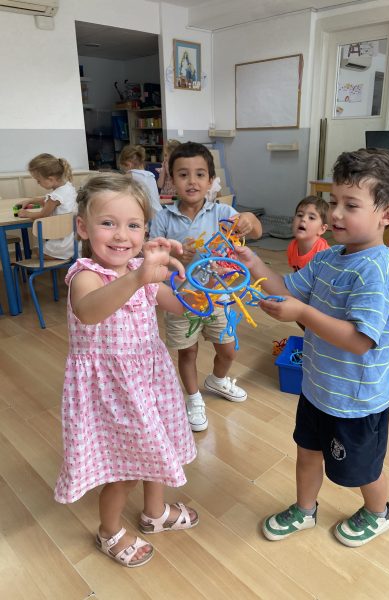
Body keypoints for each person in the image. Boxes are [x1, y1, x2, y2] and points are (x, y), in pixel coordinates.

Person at [235, 148, 389, 547]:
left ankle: (377, 513)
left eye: (351, 205)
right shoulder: (329, 256)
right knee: (307, 452)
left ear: (386, 215)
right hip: (317, 387)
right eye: (334, 201)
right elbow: (286, 289)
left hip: (356, 400)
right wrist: (253, 262)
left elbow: (359, 340)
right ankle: (305, 509)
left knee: (363, 469)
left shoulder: (376, 271)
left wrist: (302, 313)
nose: (336, 214)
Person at [54, 172, 197, 568]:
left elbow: (180, 304)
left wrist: (202, 283)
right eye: (108, 223)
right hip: (110, 392)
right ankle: (109, 531)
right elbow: (88, 311)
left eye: (133, 225)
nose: (121, 235)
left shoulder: (141, 270)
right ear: (84, 228)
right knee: (126, 470)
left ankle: (155, 512)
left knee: (157, 447)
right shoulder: (85, 275)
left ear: (146, 230)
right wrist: (137, 276)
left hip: (148, 379)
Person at [150, 141, 262, 432]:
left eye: (200, 174)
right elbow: (151, 261)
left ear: (211, 180)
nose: (192, 181)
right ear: (171, 180)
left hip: (219, 298)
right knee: (187, 352)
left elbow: (256, 230)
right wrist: (176, 256)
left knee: (228, 350)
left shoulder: (223, 212)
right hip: (180, 299)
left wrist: (249, 219)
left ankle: (217, 380)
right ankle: (193, 397)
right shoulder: (163, 217)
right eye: (183, 174)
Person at [16, 153, 77, 259]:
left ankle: (65, 257)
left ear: (51, 179)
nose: (38, 183)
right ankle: (69, 256)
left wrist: (26, 214)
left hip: (64, 241)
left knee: (37, 252)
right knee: (40, 249)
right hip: (75, 238)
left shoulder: (55, 197)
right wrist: (31, 200)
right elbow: (47, 201)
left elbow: (42, 215)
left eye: (38, 180)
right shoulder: (67, 187)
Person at [287, 195, 330, 271]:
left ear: (322, 229)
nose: (303, 219)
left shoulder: (324, 254)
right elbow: (296, 272)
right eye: (300, 215)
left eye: (311, 218)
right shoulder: (292, 247)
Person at [119, 144, 162, 215]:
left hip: (148, 215)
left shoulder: (131, 174)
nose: (124, 171)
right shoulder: (150, 175)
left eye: (124, 169)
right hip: (159, 213)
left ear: (128, 164)